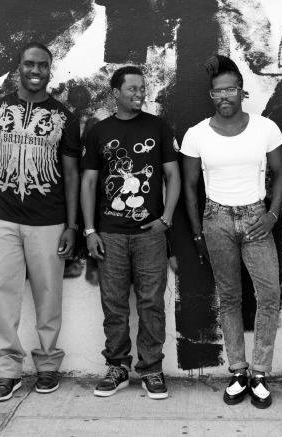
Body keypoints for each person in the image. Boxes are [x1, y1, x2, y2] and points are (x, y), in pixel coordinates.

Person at [0, 41, 80, 401]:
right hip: (1, 218)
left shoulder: (64, 117)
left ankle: (47, 366)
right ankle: (8, 371)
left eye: (42, 65)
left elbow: (72, 175)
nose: (36, 71)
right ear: (18, 67)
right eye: (30, 64)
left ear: (50, 70)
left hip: (49, 220)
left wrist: (72, 225)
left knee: (49, 296)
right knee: (1, 295)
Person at [181, 55, 282, 409]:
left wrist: (272, 215)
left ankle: (260, 373)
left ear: (242, 91)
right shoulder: (196, 134)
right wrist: (198, 233)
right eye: (217, 91)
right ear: (211, 95)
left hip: (257, 218)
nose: (224, 96)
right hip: (217, 219)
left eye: (230, 90)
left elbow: (280, 174)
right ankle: (238, 371)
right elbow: (190, 187)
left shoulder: (265, 128)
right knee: (229, 298)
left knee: (268, 294)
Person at [80, 66, 180, 400]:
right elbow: (89, 182)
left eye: (142, 88)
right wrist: (90, 230)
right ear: (116, 93)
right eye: (132, 88)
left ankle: (151, 369)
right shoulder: (99, 131)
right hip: (109, 234)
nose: (140, 93)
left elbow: (173, 175)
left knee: (151, 303)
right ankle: (117, 368)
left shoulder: (158, 127)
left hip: (150, 234)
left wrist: (166, 219)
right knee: (114, 304)